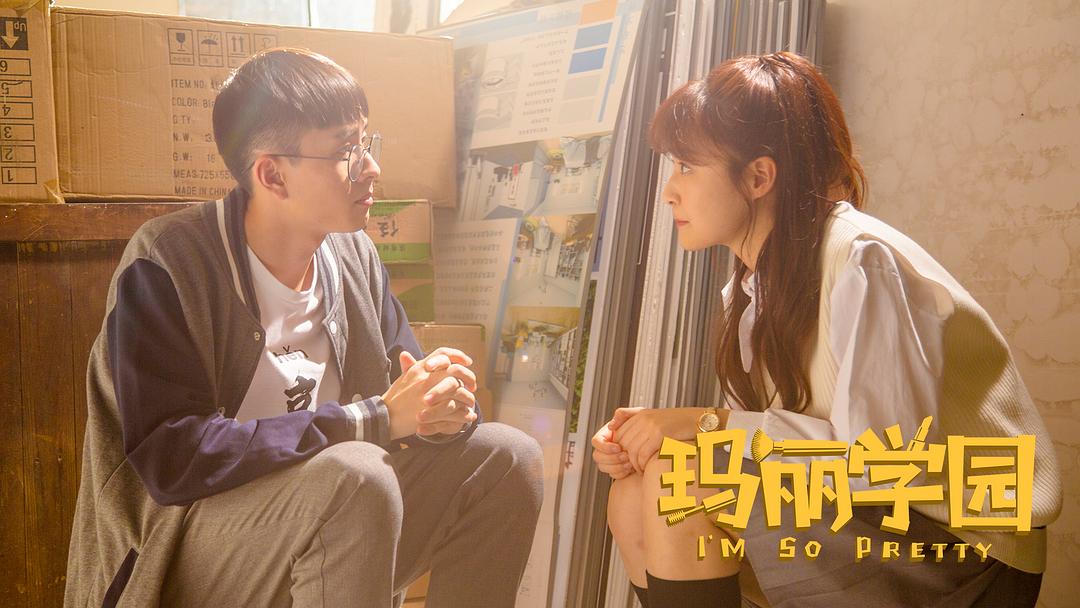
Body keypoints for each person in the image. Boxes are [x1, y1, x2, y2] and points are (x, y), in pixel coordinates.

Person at [64, 48, 543, 608]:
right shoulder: (169, 261)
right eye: (345, 151)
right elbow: (172, 458)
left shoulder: (355, 256)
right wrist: (372, 420)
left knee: (507, 456)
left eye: (367, 142)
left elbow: (403, 399)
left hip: (331, 519)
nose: (371, 167)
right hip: (184, 554)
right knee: (356, 473)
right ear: (272, 174)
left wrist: (442, 408)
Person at [591, 51, 1061, 608]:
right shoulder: (752, 289)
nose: (670, 191)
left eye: (687, 167)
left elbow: (884, 459)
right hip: (872, 519)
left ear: (759, 176)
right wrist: (648, 440)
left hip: (966, 547)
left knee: (685, 481)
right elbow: (774, 446)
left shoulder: (863, 261)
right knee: (634, 492)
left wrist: (703, 425)